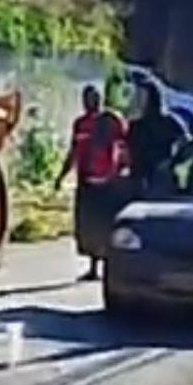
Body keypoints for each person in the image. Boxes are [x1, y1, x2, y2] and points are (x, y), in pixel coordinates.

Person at [55, 84, 128, 281]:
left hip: (108, 182)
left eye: (93, 98)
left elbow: (124, 147)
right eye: (86, 99)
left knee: (106, 225)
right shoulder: (80, 124)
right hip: (86, 181)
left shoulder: (112, 120)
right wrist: (61, 176)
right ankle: (93, 267)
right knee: (88, 227)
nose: (89, 102)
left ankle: (110, 267)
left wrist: (124, 171)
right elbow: (74, 151)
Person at [126, 81, 189, 193]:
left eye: (142, 96)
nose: (137, 100)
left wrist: (173, 162)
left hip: (160, 175)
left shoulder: (168, 122)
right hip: (138, 177)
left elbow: (186, 144)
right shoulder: (135, 125)